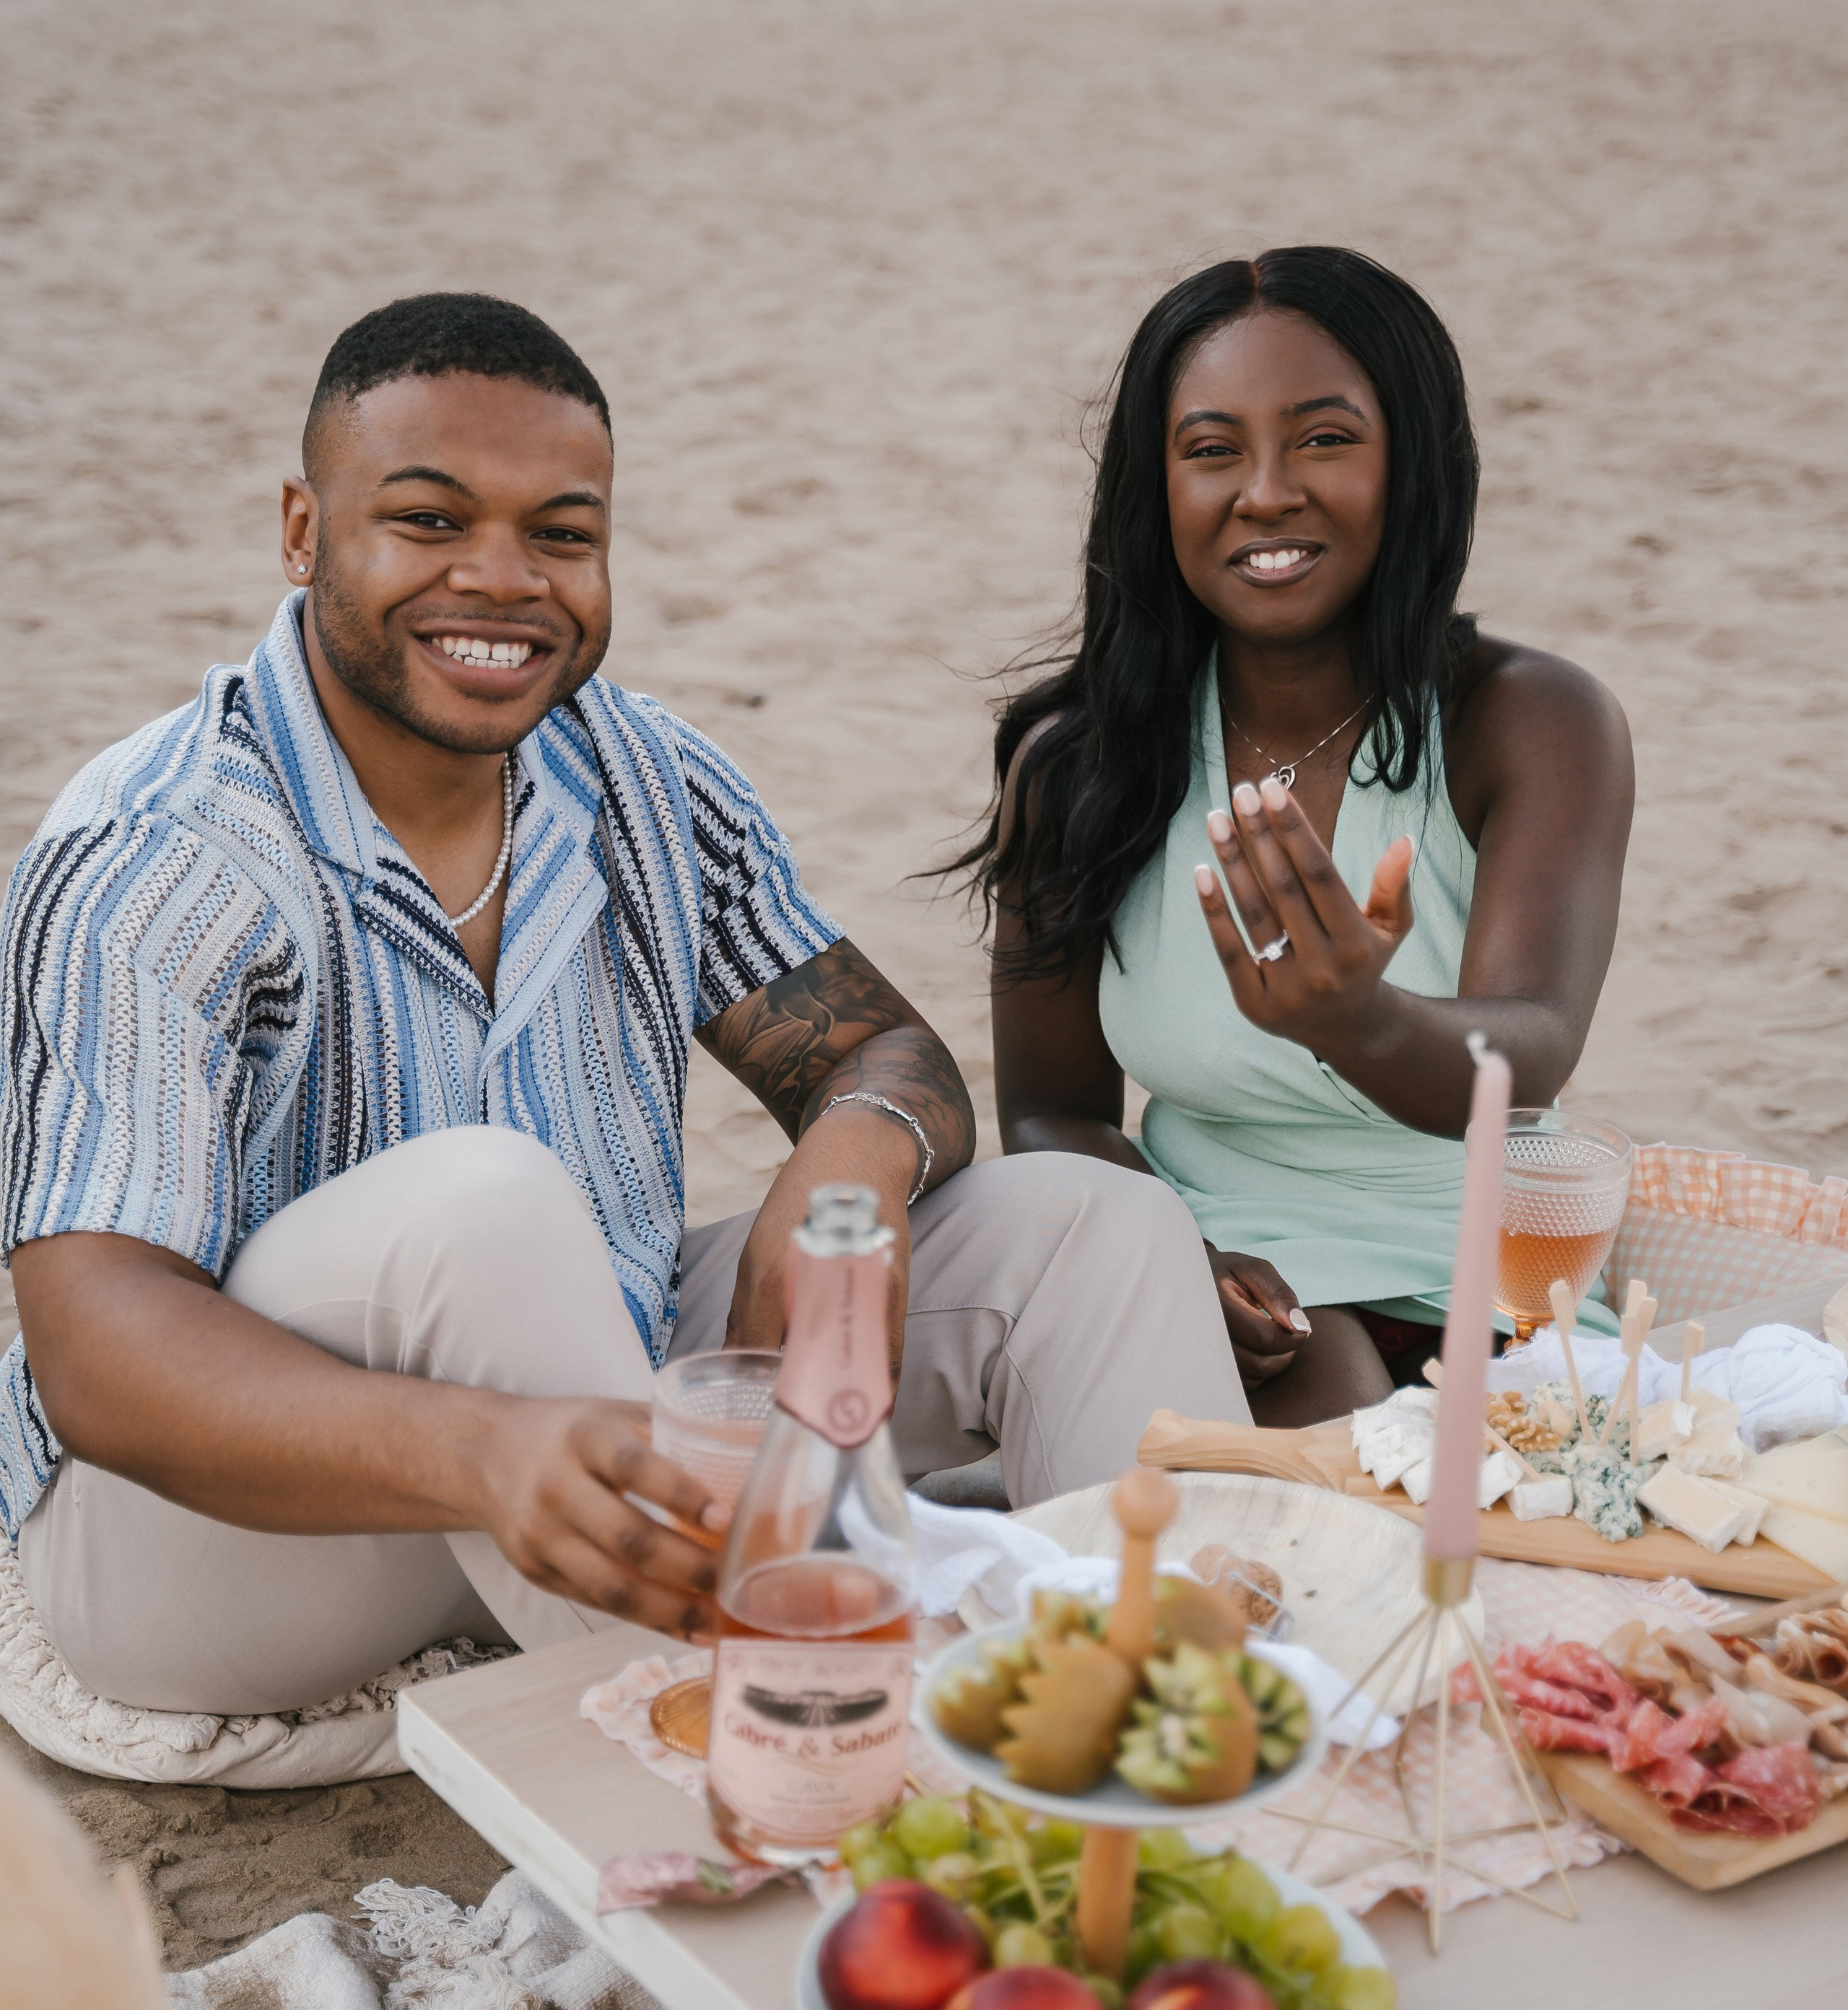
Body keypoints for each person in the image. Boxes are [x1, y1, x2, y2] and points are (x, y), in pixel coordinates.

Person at [0, 294, 1253, 1722]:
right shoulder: (160, 854)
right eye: (426, 521)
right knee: (482, 1203)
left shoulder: (641, 774)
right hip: (211, 1548)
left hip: (600, 1420)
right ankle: (814, 1774)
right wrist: (484, 1449)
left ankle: (1188, 1726)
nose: (502, 577)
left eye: (560, 533)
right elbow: (95, 1350)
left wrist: (852, 1161)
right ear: (302, 532)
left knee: (1095, 1223)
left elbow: (882, 1051)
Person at [956, 249, 1634, 1428]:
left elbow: (1530, 1055)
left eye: (1325, 439)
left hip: (1474, 1273)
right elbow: (1054, 1114)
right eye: (1212, 451)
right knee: (1319, 1426)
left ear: (1413, 460)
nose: (1265, 493)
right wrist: (1172, 1255)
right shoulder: (1075, 764)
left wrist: (1356, 1020)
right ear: (1152, 489)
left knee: (1401, 1473)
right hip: (1221, 1273)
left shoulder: (1530, 720)